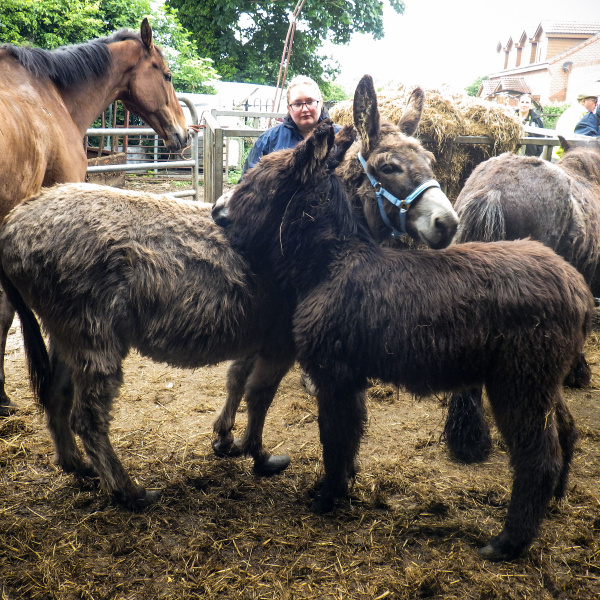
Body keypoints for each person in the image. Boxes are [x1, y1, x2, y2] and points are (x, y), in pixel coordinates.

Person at [242, 75, 341, 175]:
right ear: (289, 108)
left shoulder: (341, 137)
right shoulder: (268, 141)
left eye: (310, 102)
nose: (305, 109)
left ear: (320, 103)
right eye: (297, 104)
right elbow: (246, 182)